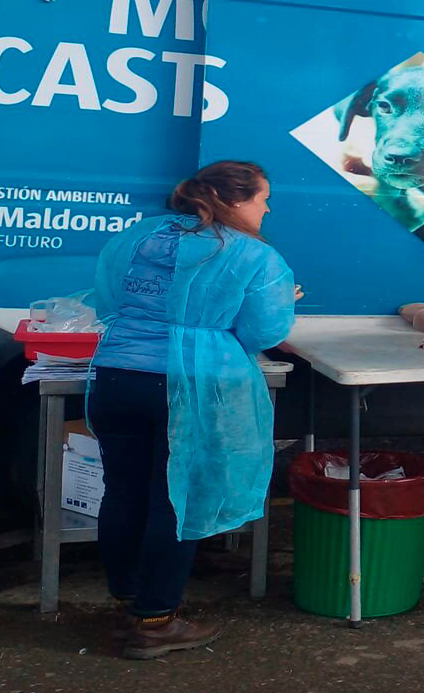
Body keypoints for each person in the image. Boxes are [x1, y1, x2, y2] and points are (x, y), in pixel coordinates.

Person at [88, 160, 299, 660]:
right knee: (176, 499)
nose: (267, 209)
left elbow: (107, 299)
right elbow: (265, 332)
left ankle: (128, 603)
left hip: (115, 375)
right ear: (234, 200)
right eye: (262, 198)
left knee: (123, 491)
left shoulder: (137, 235)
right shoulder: (253, 254)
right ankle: (156, 621)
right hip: (190, 384)